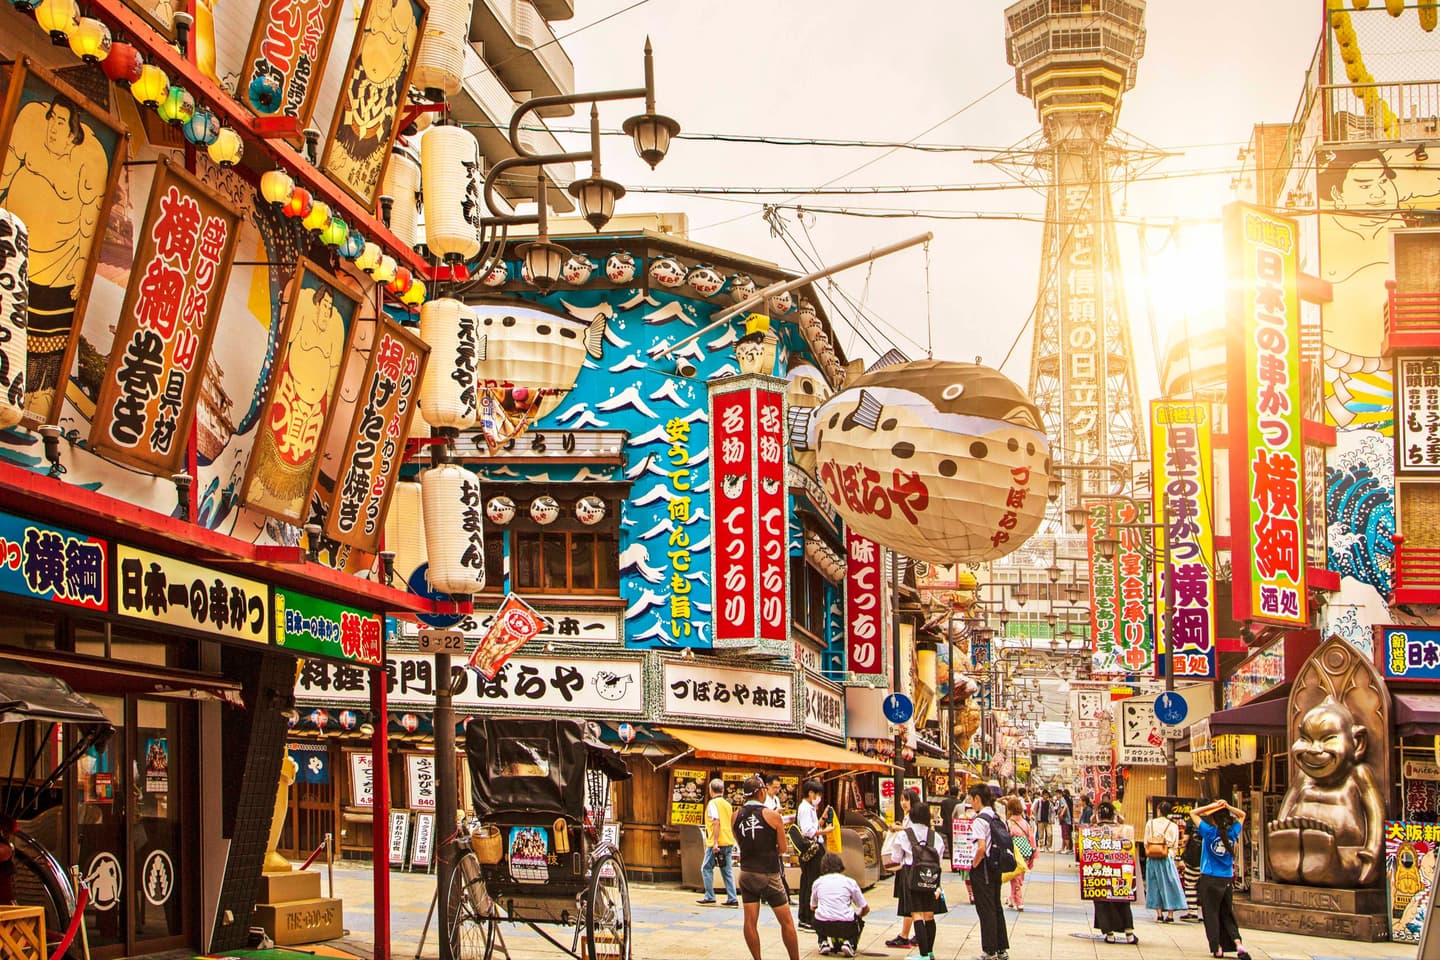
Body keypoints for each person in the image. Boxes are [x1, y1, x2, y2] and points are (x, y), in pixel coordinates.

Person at [733, 775, 800, 960]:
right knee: (786, 921)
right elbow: (783, 848)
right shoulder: (773, 815)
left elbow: (739, 843)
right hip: (769, 873)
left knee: (750, 921)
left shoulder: (735, 816)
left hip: (746, 872)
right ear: (762, 791)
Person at [1191, 799, 1251, 960]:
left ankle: (1217, 948)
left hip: (1209, 878)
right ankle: (1239, 945)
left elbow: (1193, 813)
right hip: (1226, 880)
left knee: (1211, 914)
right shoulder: (1232, 833)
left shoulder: (1209, 833)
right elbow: (1243, 815)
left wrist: (1212, 807)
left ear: (1214, 819)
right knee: (1227, 913)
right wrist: (1227, 806)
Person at [890, 802, 947, 960]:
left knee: (917, 914)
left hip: (911, 875)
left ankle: (922, 955)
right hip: (932, 876)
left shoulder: (904, 834)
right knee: (929, 914)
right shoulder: (935, 836)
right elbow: (940, 859)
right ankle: (929, 952)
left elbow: (895, 858)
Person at [966, 783, 1009, 960]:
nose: (970, 802)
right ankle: (1001, 949)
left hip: (982, 869)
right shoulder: (996, 817)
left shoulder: (979, 820)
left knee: (985, 909)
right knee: (996, 906)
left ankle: (989, 949)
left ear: (977, 799)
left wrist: (973, 865)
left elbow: (981, 848)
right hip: (996, 868)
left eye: (971, 798)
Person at [1090, 801, 1139, 944]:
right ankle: (1129, 933)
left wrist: (1094, 818)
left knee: (1101, 901)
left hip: (1099, 871)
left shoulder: (1093, 830)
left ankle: (1109, 934)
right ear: (1113, 815)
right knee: (1122, 900)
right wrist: (1119, 818)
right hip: (1119, 871)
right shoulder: (1123, 830)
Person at [810, 852, 868, 957]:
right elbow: (865, 907)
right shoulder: (849, 882)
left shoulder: (818, 882)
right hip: (846, 925)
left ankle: (823, 941)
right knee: (857, 921)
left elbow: (812, 907)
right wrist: (858, 916)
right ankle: (850, 942)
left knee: (815, 915)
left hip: (823, 924)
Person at [885, 788, 922, 949]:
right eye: (901, 799)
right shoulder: (909, 817)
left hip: (910, 864)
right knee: (910, 901)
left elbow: (912, 834)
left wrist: (897, 829)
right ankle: (910, 934)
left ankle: (907, 935)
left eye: (906, 799)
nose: (903, 803)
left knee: (911, 902)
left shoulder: (914, 817)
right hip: (908, 864)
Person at [796, 780, 833, 931]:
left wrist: (823, 819)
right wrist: (826, 831)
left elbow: (812, 826)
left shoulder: (809, 808)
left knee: (808, 882)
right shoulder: (805, 808)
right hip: (812, 851)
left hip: (813, 849)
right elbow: (807, 831)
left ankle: (806, 917)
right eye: (817, 794)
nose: (819, 798)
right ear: (811, 793)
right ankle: (807, 918)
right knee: (811, 883)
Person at [1142, 801, 1186, 923]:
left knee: (1154, 885)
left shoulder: (1150, 823)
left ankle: (1159, 914)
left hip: (1152, 857)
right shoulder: (1173, 826)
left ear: (1158, 810)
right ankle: (1170, 914)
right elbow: (1176, 845)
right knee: (1170, 885)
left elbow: (1146, 841)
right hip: (1167, 857)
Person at [697, 778, 739, 906]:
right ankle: (732, 897)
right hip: (728, 840)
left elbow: (716, 822)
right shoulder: (728, 804)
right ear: (722, 790)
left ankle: (709, 895)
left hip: (716, 842)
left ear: (711, 790)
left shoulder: (712, 804)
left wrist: (715, 842)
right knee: (727, 870)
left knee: (706, 868)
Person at [1003, 795, 1036, 911]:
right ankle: (1012, 898)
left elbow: (1005, 838)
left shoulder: (1009, 823)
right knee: (1018, 877)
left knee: (1015, 877)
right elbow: (1031, 839)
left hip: (1014, 853)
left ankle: (1019, 901)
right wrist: (1033, 854)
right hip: (1026, 853)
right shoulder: (1025, 823)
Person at [1178, 819, 1202, 921]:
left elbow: (1185, 840)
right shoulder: (1212, 820)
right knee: (1205, 887)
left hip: (1193, 858)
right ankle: (1208, 913)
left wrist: (1181, 856)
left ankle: (1193, 912)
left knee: (1190, 885)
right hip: (1208, 860)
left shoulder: (1191, 821)